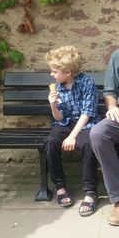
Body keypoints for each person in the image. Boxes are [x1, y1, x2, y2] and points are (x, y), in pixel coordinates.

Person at [45, 45, 99, 217]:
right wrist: (53, 105)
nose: (51, 75)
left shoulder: (87, 82)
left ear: (67, 72)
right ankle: (60, 186)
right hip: (65, 123)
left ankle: (90, 192)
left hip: (85, 124)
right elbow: (60, 119)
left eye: (54, 71)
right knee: (52, 142)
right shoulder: (58, 87)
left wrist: (72, 137)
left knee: (90, 144)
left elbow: (87, 114)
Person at [90, 48, 119, 226]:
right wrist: (112, 107)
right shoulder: (117, 56)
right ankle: (118, 197)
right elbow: (110, 91)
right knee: (98, 134)